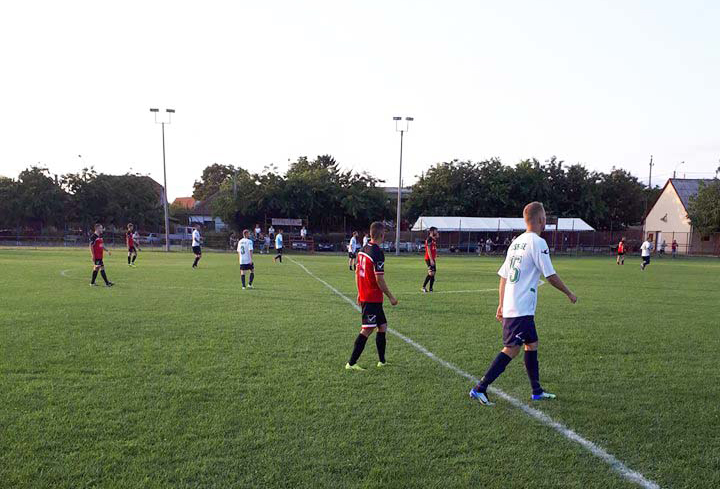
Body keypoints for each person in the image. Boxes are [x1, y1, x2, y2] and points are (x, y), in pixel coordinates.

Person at [469, 202, 577, 405]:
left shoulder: (516, 242)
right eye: (545, 218)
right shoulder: (538, 242)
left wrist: (501, 304)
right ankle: (480, 388)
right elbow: (550, 275)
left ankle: (537, 391)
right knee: (512, 349)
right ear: (541, 220)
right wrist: (569, 293)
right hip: (521, 307)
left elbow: (504, 276)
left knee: (531, 344)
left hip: (516, 305)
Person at [346, 221, 398, 371]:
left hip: (369, 296)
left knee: (382, 326)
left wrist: (359, 291)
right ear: (382, 234)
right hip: (371, 297)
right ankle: (351, 363)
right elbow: (379, 279)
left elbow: (357, 273)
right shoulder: (377, 252)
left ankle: (382, 361)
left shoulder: (363, 249)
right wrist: (391, 297)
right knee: (367, 329)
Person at [421, 227, 438, 293]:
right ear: (431, 231)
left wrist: (435, 255)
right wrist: (431, 259)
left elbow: (433, 249)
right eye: (435, 231)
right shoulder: (429, 239)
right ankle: (423, 287)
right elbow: (428, 249)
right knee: (431, 273)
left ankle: (431, 288)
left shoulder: (433, 239)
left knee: (433, 273)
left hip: (432, 258)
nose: (436, 232)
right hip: (428, 258)